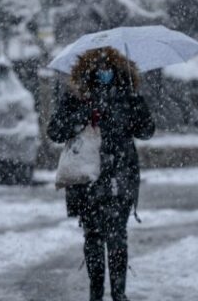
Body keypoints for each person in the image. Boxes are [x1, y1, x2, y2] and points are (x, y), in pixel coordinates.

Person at [47, 47, 155, 301]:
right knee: (93, 236)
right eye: (99, 69)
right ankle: (96, 293)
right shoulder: (77, 97)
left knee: (117, 236)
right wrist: (83, 115)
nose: (104, 73)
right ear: (89, 71)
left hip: (119, 173)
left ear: (118, 71)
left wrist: (136, 104)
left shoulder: (127, 95)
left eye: (109, 69)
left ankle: (119, 293)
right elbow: (55, 131)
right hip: (87, 177)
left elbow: (147, 130)